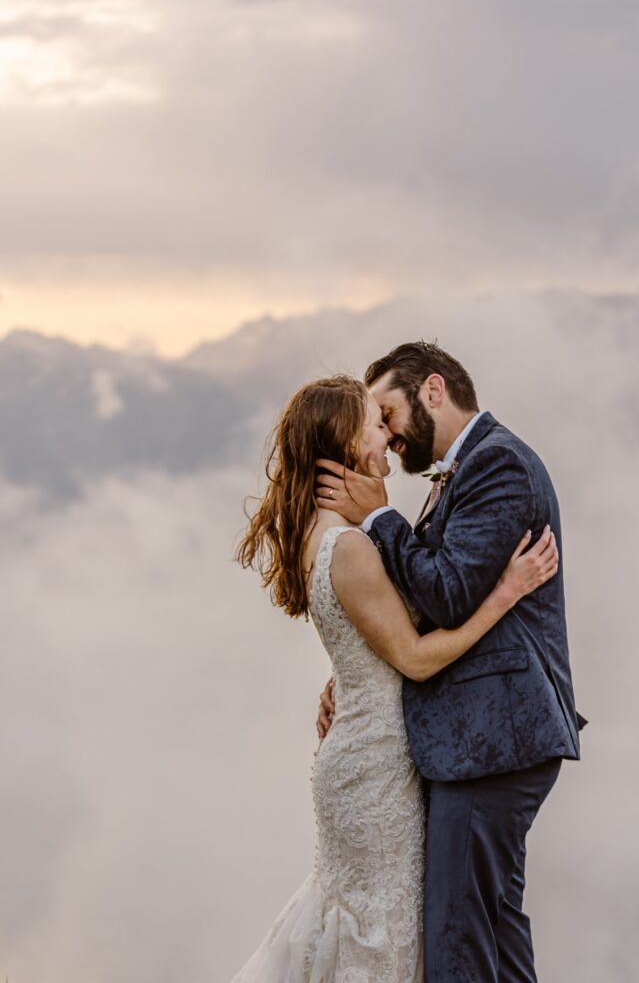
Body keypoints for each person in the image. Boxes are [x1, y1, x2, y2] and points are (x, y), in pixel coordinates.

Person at [232, 373, 559, 983]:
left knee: (372, 932)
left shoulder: (324, 534)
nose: (387, 433)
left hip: (368, 753)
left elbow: (362, 642)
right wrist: (505, 594)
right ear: (345, 440)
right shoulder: (350, 545)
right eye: (372, 422)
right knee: (381, 943)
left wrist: (344, 681)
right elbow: (412, 657)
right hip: (377, 769)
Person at [315, 342, 586, 983]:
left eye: (388, 412)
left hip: (492, 740)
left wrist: (379, 514)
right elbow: (432, 605)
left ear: (432, 390)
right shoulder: (467, 469)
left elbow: (448, 589)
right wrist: (355, 669)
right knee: (493, 935)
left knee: (456, 943)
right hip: (486, 739)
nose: (385, 433)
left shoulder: (497, 465)